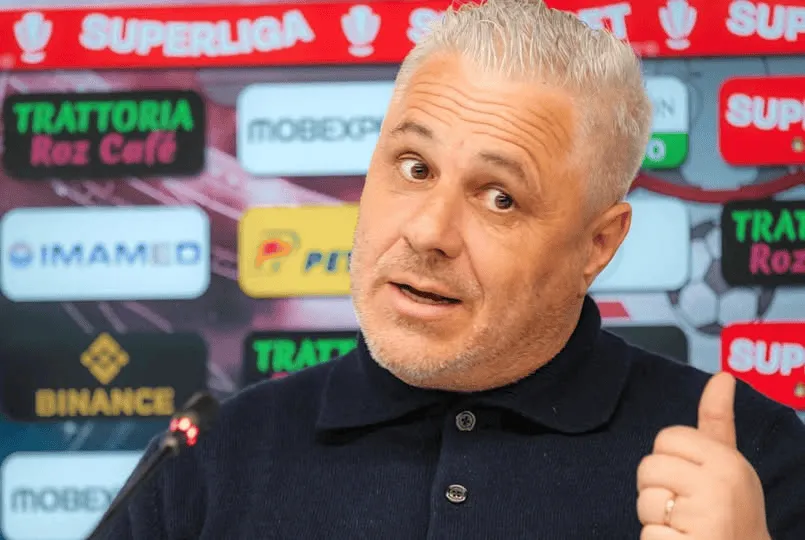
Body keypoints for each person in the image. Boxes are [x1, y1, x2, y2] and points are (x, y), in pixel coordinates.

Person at [99, 0, 805, 538]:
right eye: (414, 168)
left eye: (500, 197)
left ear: (597, 245)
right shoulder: (210, 459)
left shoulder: (752, 463)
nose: (428, 232)